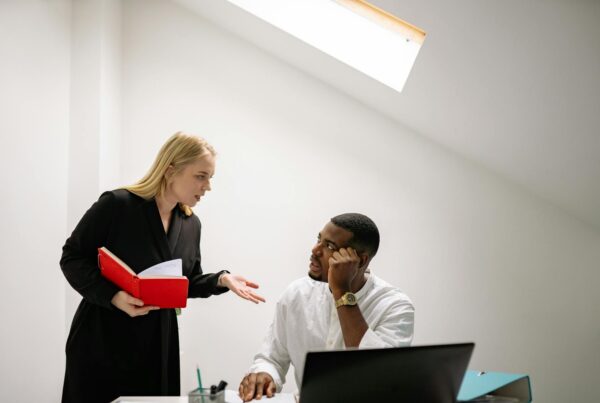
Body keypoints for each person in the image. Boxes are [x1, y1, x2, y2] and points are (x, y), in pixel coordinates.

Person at [60, 132, 265, 403]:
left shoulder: (191, 224)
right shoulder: (117, 205)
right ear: (171, 170)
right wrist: (114, 296)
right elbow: (72, 257)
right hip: (102, 340)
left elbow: (187, 282)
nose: (207, 187)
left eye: (210, 178)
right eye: (201, 176)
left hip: (157, 346)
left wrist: (221, 280)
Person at [238, 213, 414, 401]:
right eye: (319, 239)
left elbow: (378, 378)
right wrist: (265, 375)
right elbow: (271, 358)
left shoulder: (395, 306)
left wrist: (341, 291)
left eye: (330, 246)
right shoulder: (297, 294)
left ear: (360, 261)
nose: (315, 250)